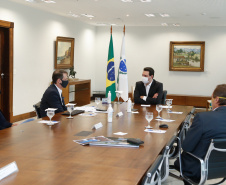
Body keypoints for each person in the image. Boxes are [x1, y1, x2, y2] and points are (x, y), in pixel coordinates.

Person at [174, 84, 226, 185]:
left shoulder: (203, 118)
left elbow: (186, 146)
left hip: (199, 167)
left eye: (211, 97)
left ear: (217, 99)